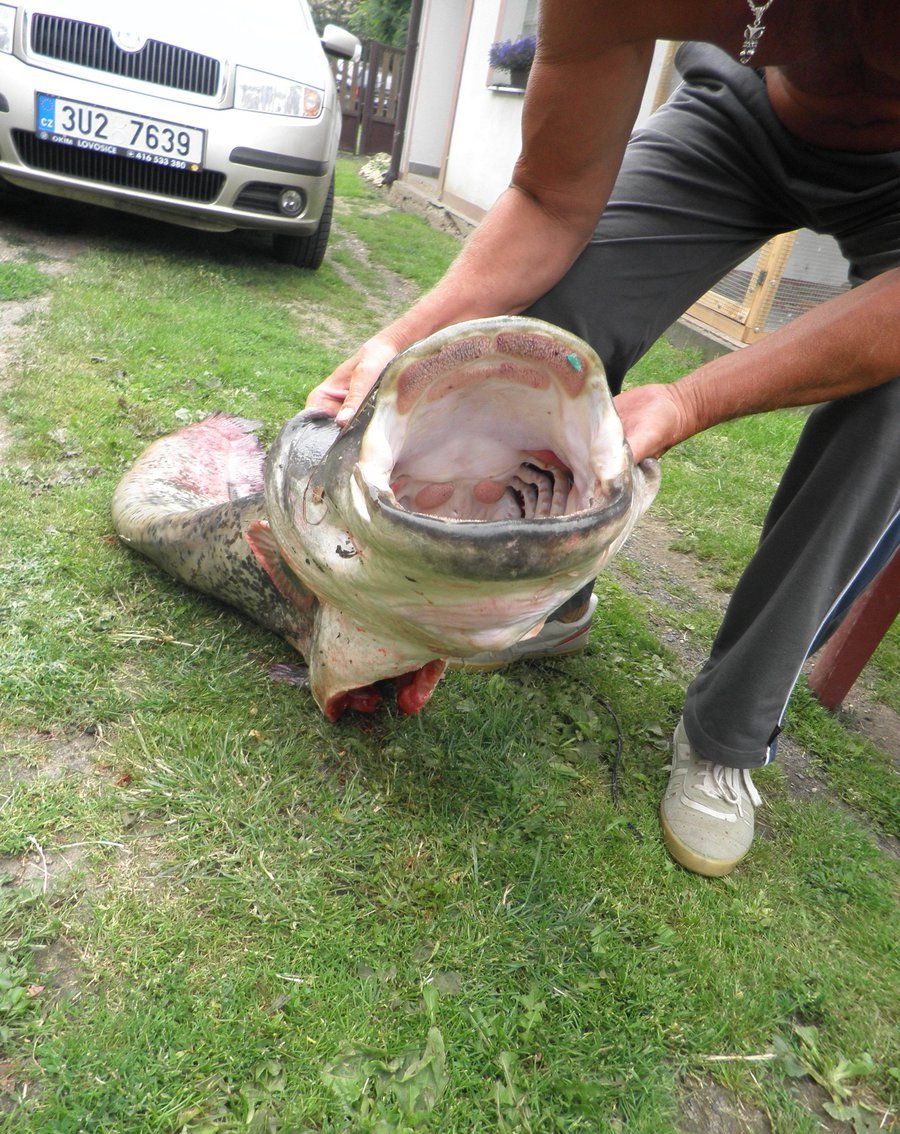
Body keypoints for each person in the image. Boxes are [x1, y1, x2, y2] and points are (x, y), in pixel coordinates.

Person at [306, 0, 900, 877]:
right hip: (740, 117)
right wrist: (395, 346)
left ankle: (730, 733)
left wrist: (689, 400)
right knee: (536, 337)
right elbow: (549, 200)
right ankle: (541, 592)